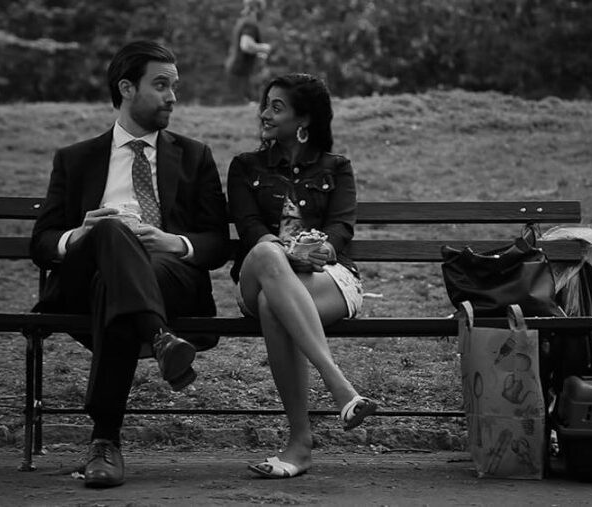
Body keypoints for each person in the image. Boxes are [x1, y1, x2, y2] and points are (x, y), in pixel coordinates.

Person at [30, 40, 230, 488]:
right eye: (161, 85)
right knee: (110, 229)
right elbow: (41, 241)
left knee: (113, 286)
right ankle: (159, 336)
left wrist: (172, 241)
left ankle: (104, 440)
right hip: (85, 272)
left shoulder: (195, 156)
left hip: (166, 274)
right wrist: (80, 235)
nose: (172, 97)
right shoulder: (77, 159)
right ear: (126, 87)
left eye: (175, 86)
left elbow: (217, 241)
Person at [227, 73, 377, 479]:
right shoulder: (245, 167)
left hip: (326, 278)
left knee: (272, 306)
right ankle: (340, 387)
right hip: (260, 271)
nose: (264, 114)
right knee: (266, 251)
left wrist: (324, 248)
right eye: (265, 104)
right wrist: (286, 251)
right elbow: (249, 228)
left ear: (304, 119)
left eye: (277, 107)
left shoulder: (337, 168)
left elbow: (342, 228)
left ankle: (300, 444)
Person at [224, 0, 272, 103]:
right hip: (241, 72)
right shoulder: (251, 24)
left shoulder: (242, 21)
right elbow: (246, 45)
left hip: (235, 70)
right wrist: (264, 48)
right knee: (245, 106)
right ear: (256, 8)